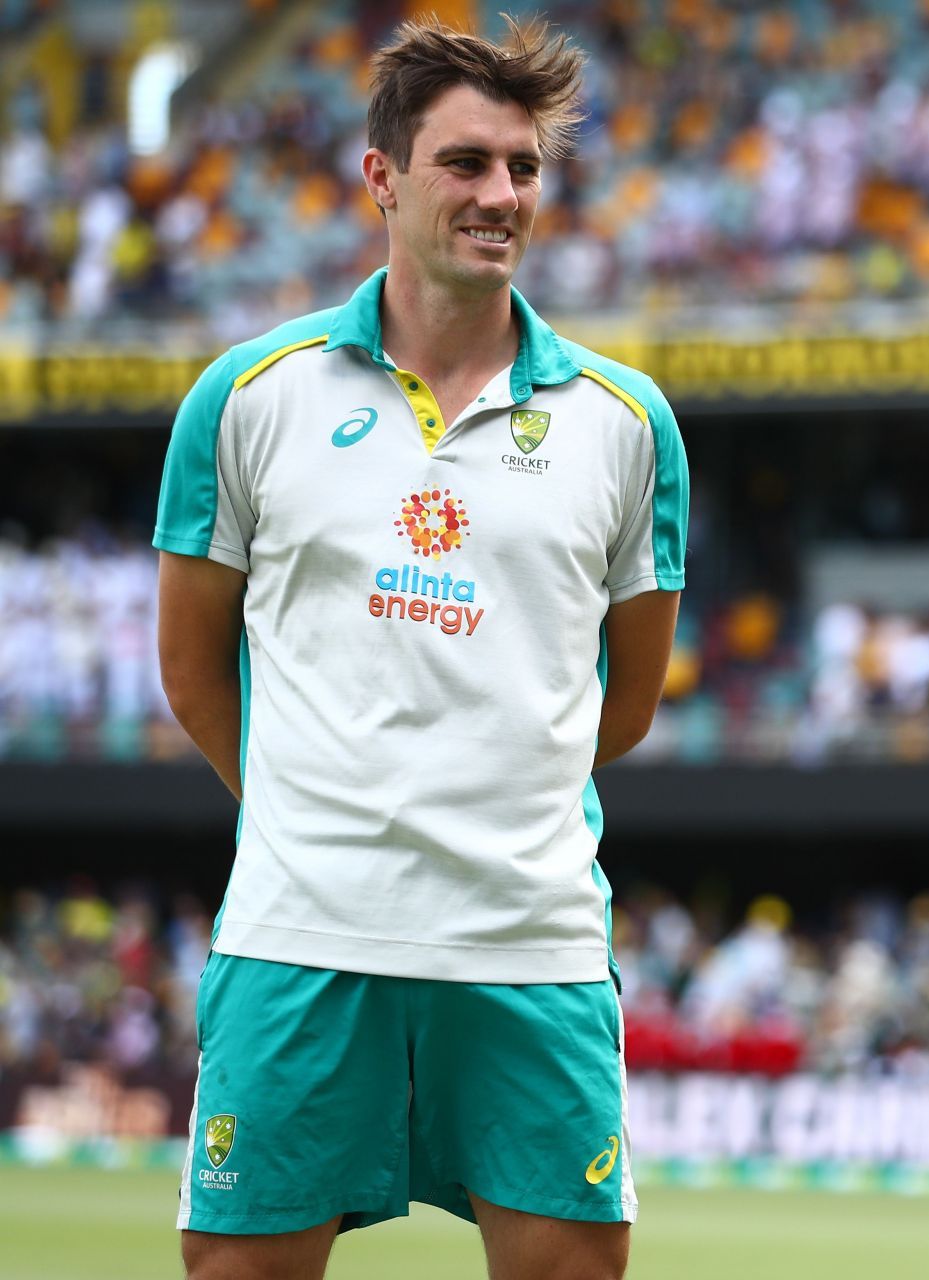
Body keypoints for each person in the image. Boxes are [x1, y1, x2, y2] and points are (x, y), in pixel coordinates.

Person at [153, 18, 685, 1280]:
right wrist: (318, 802)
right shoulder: (246, 396)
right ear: (383, 176)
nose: (502, 195)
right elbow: (189, 669)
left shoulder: (626, 423)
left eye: (524, 167)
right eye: (466, 163)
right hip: (299, 934)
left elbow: (625, 702)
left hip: (530, 941)